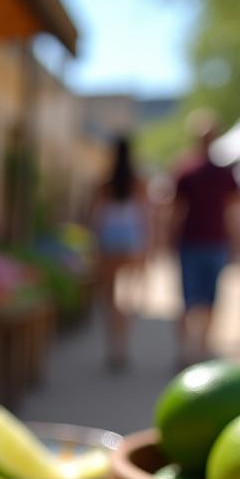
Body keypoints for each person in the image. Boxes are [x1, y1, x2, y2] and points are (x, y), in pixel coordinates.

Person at [170, 110, 240, 366]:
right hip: (193, 241)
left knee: (208, 298)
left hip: (213, 241)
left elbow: (233, 210)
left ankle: (201, 350)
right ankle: (186, 352)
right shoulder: (186, 171)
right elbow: (176, 210)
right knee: (191, 299)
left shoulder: (223, 173)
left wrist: (235, 242)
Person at [90, 136, 149, 370]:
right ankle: (123, 346)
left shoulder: (105, 181)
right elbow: (145, 214)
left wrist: (94, 244)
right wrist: (147, 246)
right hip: (131, 240)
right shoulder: (138, 181)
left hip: (109, 239)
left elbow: (95, 215)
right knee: (127, 296)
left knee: (110, 297)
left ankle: (113, 346)